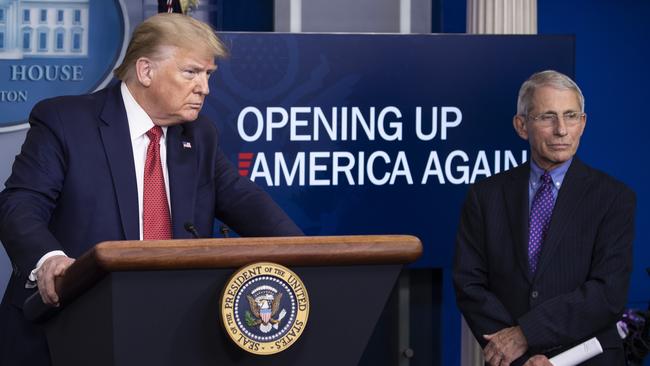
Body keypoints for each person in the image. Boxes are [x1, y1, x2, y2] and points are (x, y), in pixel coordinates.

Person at [0, 13, 302, 365]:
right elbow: (19, 204)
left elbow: (245, 200)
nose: (204, 87)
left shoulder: (199, 135)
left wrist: (309, 256)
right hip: (65, 330)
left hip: (164, 331)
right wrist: (49, 259)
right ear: (145, 71)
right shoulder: (65, 122)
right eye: (191, 72)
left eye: (208, 75)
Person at [453, 70, 636, 366]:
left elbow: (607, 293)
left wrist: (527, 333)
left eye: (571, 116)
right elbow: (469, 284)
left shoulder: (614, 198)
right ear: (522, 126)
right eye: (547, 117)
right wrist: (520, 356)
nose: (561, 130)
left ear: (583, 123)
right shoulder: (485, 196)